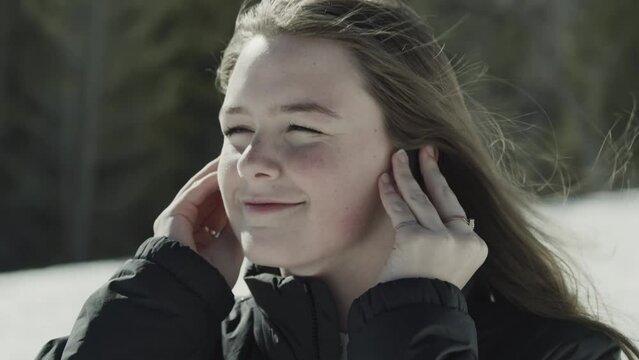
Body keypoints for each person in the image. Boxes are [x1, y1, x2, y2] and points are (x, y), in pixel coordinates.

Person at [36, 0, 639, 359]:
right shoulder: (177, 341)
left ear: (414, 156)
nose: (252, 164)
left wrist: (412, 326)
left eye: (302, 128)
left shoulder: (558, 354)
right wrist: (153, 303)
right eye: (238, 132)